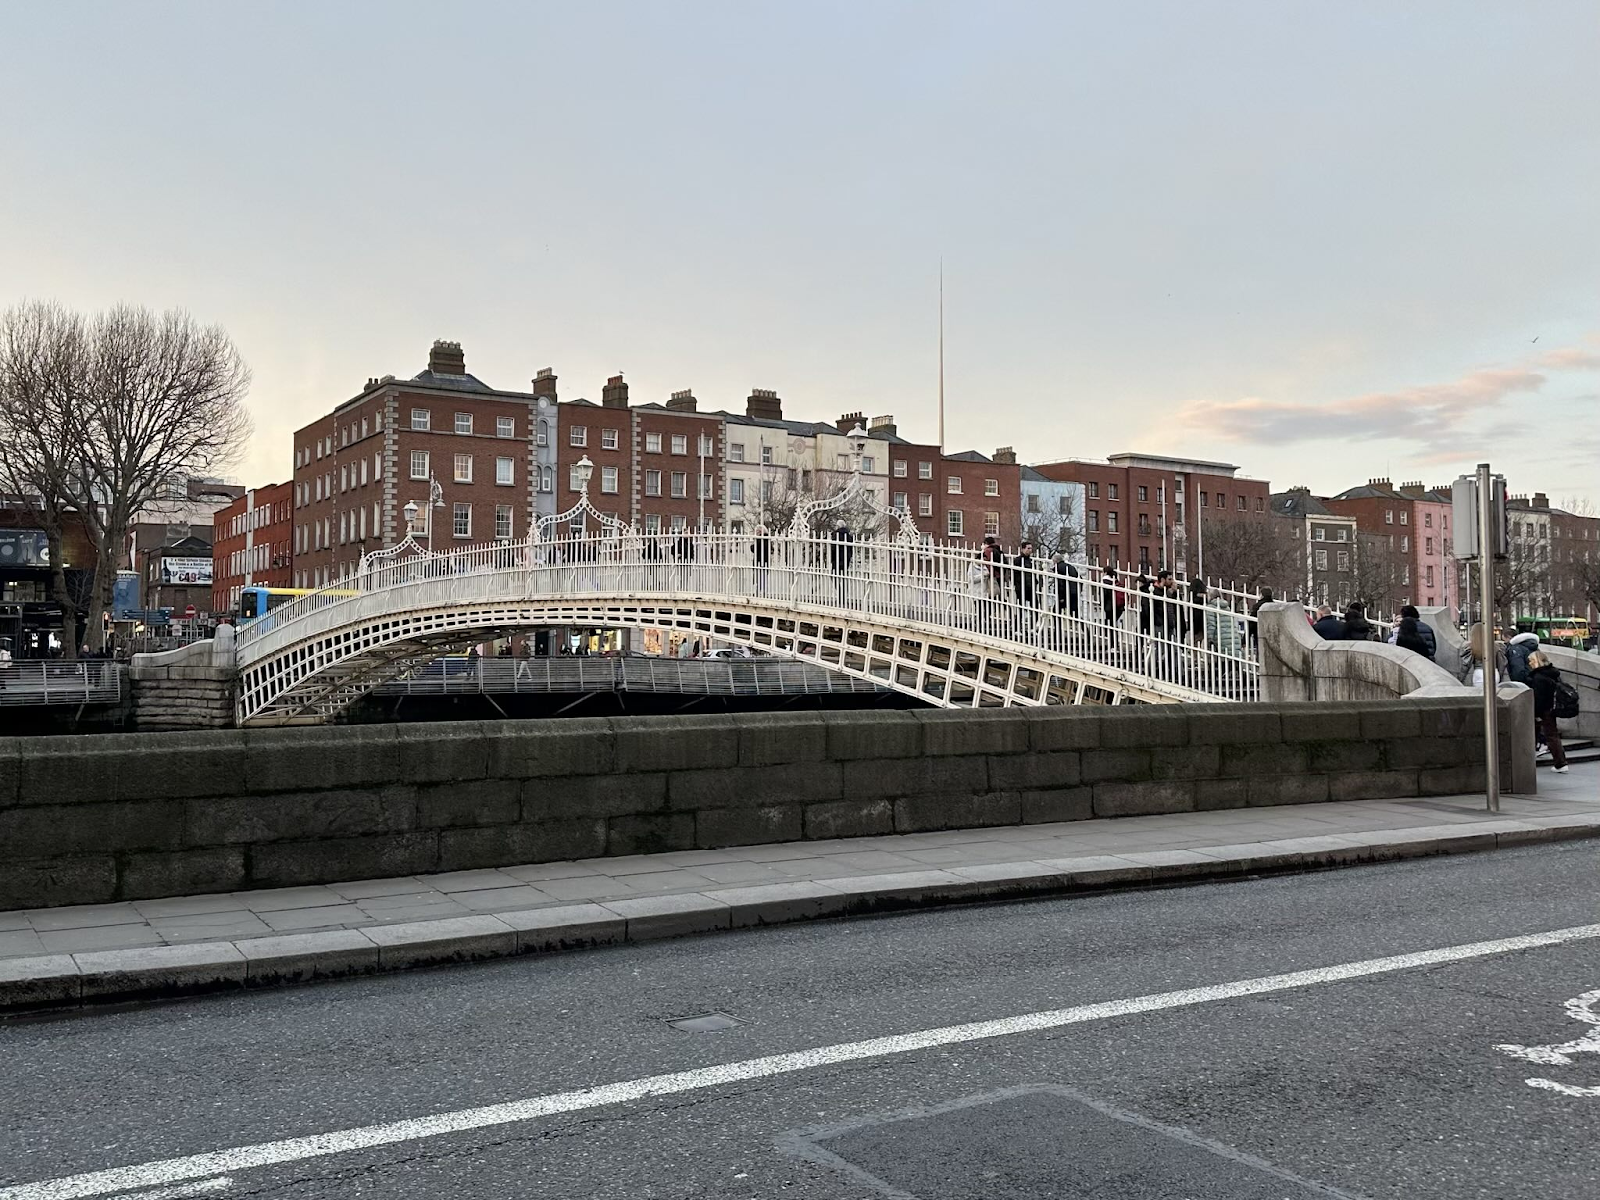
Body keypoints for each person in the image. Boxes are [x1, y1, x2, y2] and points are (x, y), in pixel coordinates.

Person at [1527, 650, 1569, 773]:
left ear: (1536, 661)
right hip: (1551, 708)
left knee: (1546, 736)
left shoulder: (1538, 677)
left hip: (1543, 710)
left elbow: (1539, 697)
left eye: (1531, 661)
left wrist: (1537, 713)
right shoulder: (1552, 674)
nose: (1529, 663)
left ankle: (1560, 763)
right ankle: (1560, 762)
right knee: (1552, 735)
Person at [828, 520, 854, 604]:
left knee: (834, 576)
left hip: (837, 559)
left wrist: (832, 559)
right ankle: (843, 596)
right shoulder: (849, 536)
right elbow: (851, 549)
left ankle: (840, 594)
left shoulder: (836, 535)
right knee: (843, 578)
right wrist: (849, 557)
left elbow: (833, 548)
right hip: (846, 560)